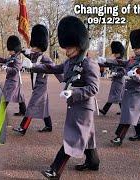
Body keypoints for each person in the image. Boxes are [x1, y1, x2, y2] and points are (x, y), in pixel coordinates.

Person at [23, 16, 100, 179]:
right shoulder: (69, 62)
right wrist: (34, 67)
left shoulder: (89, 64)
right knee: (87, 134)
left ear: (79, 45)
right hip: (74, 105)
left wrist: (74, 93)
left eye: (69, 47)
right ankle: (93, 162)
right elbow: (53, 68)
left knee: (72, 136)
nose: (66, 50)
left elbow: (94, 88)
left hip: (84, 107)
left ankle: (55, 170)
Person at [12, 24, 63, 135]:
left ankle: (23, 128)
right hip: (36, 87)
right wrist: (21, 50)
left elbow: (54, 69)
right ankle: (48, 126)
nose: (33, 48)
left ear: (39, 46)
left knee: (31, 107)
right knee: (44, 107)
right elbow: (27, 54)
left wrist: (63, 81)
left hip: (41, 87)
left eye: (34, 47)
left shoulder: (45, 58)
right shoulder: (33, 56)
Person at [110, 29, 140, 145]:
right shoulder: (134, 59)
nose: (135, 50)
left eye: (137, 48)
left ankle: (119, 137)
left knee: (129, 113)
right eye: (134, 48)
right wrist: (106, 61)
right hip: (129, 90)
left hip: (138, 92)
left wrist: (135, 76)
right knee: (137, 114)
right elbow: (124, 65)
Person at [0, 36, 27, 116]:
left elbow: (16, 70)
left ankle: (0, 112)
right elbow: (3, 60)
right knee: (20, 96)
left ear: (15, 50)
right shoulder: (12, 57)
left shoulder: (17, 59)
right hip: (14, 81)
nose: (9, 52)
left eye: (11, 50)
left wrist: (7, 68)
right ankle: (23, 111)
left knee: (6, 96)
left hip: (13, 81)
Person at [99, 41, 126, 116]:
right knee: (118, 97)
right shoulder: (115, 60)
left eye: (116, 53)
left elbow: (123, 72)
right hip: (116, 81)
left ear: (119, 53)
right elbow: (107, 64)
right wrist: (98, 62)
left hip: (119, 81)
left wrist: (115, 74)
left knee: (115, 96)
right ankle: (124, 110)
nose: (114, 54)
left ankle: (105, 110)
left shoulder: (122, 61)